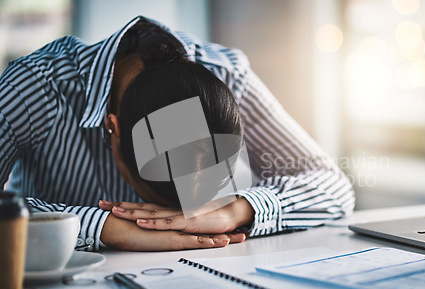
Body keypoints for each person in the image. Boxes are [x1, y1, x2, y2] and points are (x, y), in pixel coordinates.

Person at [0, 16, 355, 252]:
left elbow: (331, 183)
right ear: (113, 129)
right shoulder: (35, 87)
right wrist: (106, 228)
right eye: (168, 203)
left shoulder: (227, 77)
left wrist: (236, 210)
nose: (176, 219)